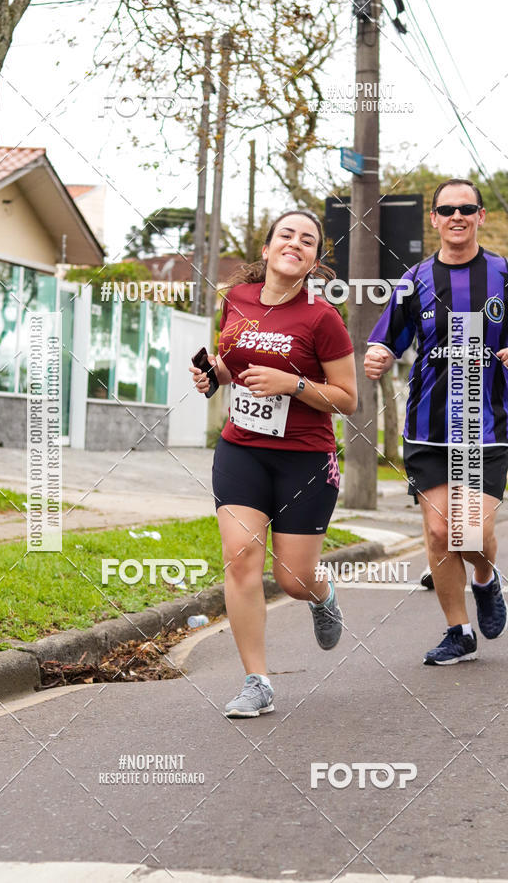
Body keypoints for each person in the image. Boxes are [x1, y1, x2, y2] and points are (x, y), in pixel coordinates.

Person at [364, 179, 508, 665]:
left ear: (481, 216)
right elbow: (387, 339)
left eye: (467, 208)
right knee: (436, 532)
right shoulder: (414, 280)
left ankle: (486, 581)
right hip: (427, 429)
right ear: (434, 219)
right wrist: (379, 356)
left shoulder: (506, 275)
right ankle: (459, 632)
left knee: (469, 530)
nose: (457, 216)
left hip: (483, 428)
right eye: (446, 209)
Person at [189, 210, 357, 716]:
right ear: (266, 249)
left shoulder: (322, 318)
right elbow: (232, 362)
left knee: (293, 579)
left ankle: (322, 596)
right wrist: (212, 376)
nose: (296, 243)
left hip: (305, 459)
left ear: (313, 261)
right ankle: (256, 681)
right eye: (286, 235)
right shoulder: (236, 300)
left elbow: (348, 399)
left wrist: (295, 385)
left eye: (308, 240)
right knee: (241, 558)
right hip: (241, 448)